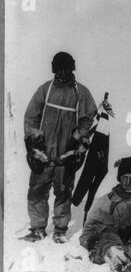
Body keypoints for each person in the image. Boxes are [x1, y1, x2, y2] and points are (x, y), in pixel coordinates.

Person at [23, 52, 97, 244]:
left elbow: (88, 117)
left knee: (63, 192)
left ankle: (60, 229)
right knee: (37, 190)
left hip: (66, 154)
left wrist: (78, 138)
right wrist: (34, 138)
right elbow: (31, 117)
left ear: (72, 69)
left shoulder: (81, 92)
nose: (63, 73)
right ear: (54, 69)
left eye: (67, 69)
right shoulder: (45, 90)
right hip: (44, 153)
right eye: (59, 69)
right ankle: (38, 228)